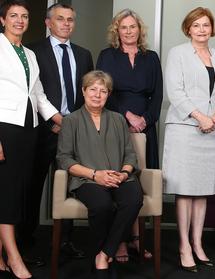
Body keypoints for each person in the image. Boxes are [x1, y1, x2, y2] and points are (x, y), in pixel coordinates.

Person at [163, 7, 215, 273]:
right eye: (196, 25)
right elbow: (175, 91)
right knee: (185, 190)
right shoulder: (178, 54)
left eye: (206, 25)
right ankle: (183, 246)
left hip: (211, 129)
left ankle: (198, 243)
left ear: (211, 28)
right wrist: (200, 117)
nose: (202, 30)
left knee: (202, 190)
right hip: (185, 128)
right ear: (188, 29)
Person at [21, 3, 93, 265]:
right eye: (60, 19)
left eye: (70, 19)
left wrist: (74, 125)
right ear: (48, 23)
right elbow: (31, 93)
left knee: (72, 185)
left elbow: (89, 94)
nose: (66, 24)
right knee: (33, 186)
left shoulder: (84, 55)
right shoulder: (32, 51)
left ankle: (65, 240)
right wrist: (52, 121)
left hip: (73, 131)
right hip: (43, 130)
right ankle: (25, 242)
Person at [56, 70, 143, 277]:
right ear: (84, 91)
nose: (97, 94)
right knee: (102, 205)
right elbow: (64, 159)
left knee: (133, 199)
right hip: (87, 179)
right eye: (93, 89)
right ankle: (103, 257)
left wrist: (123, 174)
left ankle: (103, 254)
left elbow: (130, 155)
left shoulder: (118, 119)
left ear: (108, 94)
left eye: (103, 91)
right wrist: (95, 175)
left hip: (120, 176)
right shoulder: (71, 121)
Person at [0, 1, 63, 277]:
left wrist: (64, 120)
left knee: (16, 194)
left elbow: (37, 96)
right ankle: (14, 257)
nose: (19, 20)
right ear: (2, 20)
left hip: (29, 129)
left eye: (24, 16)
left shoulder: (29, 53)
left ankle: (0, 257)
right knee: (7, 195)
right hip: (5, 129)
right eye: (13, 16)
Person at [96, 8, 162, 262]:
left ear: (139, 30)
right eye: (123, 27)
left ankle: (137, 239)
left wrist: (145, 119)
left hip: (146, 128)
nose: (128, 31)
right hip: (115, 123)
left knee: (142, 184)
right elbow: (103, 91)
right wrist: (127, 116)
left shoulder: (151, 57)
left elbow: (157, 95)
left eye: (132, 26)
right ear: (117, 31)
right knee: (120, 182)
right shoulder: (107, 56)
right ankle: (119, 242)